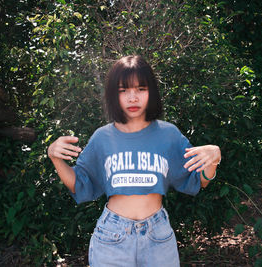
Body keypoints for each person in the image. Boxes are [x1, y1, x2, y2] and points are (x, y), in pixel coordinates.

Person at [47, 55, 221, 266]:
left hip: (158, 237)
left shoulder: (169, 135)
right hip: (112, 237)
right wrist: (55, 157)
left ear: (152, 92)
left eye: (141, 89)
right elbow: (79, 183)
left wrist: (213, 159)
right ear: (113, 95)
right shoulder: (103, 138)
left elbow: (199, 181)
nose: (133, 98)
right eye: (124, 90)